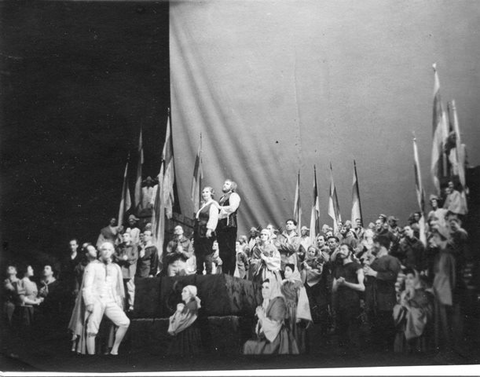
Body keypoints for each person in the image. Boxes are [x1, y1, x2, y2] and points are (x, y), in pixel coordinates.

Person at [82, 242, 130, 355]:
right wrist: (89, 302)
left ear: (112, 251)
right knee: (92, 330)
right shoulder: (93, 266)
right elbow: (87, 286)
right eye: (104, 249)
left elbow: (118, 288)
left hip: (110, 300)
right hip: (96, 299)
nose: (107, 252)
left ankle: (114, 350)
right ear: (100, 251)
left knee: (125, 322)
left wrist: (119, 302)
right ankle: (91, 356)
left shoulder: (116, 267)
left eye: (109, 250)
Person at [363, 235, 401, 351]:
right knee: (375, 325)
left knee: (386, 324)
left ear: (380, 244)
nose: (372, 246)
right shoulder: (375, 260)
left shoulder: (392, 260)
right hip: (373, 301)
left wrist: (374, 274)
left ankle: (388, 350)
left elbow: (393, 276)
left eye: (375, 243)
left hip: (385, 300)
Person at [243, 279, 299, 355]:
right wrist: (260, 317)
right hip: (270, 337)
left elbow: (275, 326)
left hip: (279, 340)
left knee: (249, 346)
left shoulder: (279, 302)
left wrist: (262, 317)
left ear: (273, 288)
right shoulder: (266, 302)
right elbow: (260, 332)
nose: (263, 290)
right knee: (248, 345)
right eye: (262, 287)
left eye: (267, 287)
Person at [332, 244, 365, 354]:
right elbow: (333, 289)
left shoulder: (357, 266)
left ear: (350, 252)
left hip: (352, 303)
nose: (340, 251)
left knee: (352, 331)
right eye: (339, 249)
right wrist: (337, 283)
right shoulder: (338, 268)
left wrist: (345, 283)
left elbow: (362, 287)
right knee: (341, 331)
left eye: (343, 249)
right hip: (339, 303)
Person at [393, 268, 434, 353]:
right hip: (404, 329)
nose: (408, 281)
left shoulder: (423, 294)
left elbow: (423, 313)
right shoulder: (404, 293)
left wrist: (408, 307)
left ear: (417, 279)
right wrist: (401, 306)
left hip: (417, 332)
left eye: (411, 278)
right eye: (406, 278)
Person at [68, 243, 99, 354]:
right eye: (91, 250)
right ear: (86, 254)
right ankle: (79, 346)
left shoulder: (100, 264)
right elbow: (77, 282)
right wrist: (77, 293)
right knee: (82, 318)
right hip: (84, 294)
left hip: (96, 294)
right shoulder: (81, 266)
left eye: (95, 249)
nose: (95, 251)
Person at [281, 264, 312, 354]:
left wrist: (300, 315)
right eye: (285, 270)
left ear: (293, 272)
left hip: (294, 310)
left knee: (295, 330)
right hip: (285, 310)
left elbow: (303, 300)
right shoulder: (284, 284)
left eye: (288, 270)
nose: (285, 272)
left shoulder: (298, 284)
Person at [167, 285, 202, 355]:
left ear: (191, 294)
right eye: (182, 291)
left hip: (188, 334)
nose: (182, 293)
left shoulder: (192, 305)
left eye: (185, 291)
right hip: (185, 333)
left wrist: (179, 312)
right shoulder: (187, 306)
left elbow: (180, 321)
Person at [216, 179, 241, 275]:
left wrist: (220, 209)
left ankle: (230, 273)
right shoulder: (222, 198)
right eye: (224, 183)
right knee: (222, 250)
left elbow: (232, 208)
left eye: (227, 184)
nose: (224, 185)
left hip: (229, 225)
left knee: (229, 249)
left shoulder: (234, 196)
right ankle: (224, 272)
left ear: (232, 187)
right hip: (221, 226)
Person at [194, 187, 218, 275]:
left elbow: (213, 218)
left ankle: (208, 274)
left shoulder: (213, 205)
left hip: (205, 232)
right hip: (199, 232)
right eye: (203, 192)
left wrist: (209, 230)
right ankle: (199, 272)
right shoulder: (203, 205)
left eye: (207, 192)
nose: (204, 194)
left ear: (211, 193)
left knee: (207, 253)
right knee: (199, 253)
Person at [249, 229, 283, 295]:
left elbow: (276, 259)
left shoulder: (272, 247)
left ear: (268, 236)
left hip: (270, 270)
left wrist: (265, 259)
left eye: (265, 234)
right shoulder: (257, 247)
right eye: (261, 234)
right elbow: (253, 259)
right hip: (259, 270)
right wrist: (257, 262)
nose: (263, 236)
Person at [15, 264, 44, 331]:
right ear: (25, 271)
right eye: (30, 269)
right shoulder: (20, 282)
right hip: (25, 310)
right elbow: (22, 298)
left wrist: (39, 298)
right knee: (26, 330)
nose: (32, 270)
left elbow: (34, 296)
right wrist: (36, 302)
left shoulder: (33, 283)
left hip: (35, 310)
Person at [114, 232, 138, 312]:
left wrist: (127, 258)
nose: (124, 237)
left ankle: (131, 305)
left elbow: (134, 258)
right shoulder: (119, 247)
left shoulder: (133, 247)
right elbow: (116, 257)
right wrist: (122, 258)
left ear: (130, 237)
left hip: (129, 270)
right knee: (120, 288)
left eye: (126, 236)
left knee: (130, 288)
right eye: (123, 236)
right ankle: (122, 305)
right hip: (121, 270)